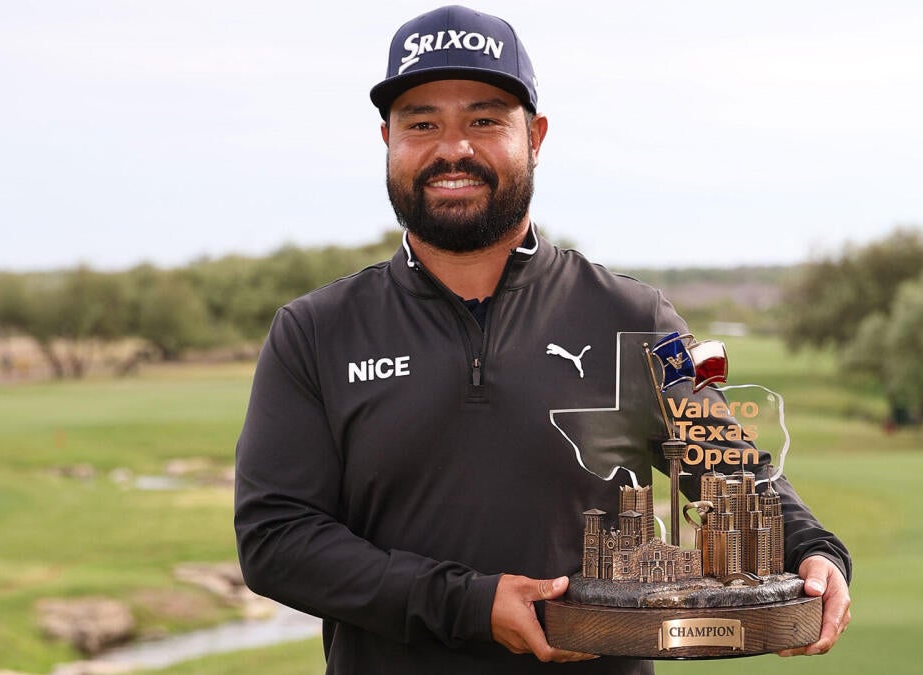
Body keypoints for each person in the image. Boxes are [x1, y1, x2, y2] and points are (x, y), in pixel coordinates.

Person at [235, 6, 851, 673]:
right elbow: (277, 540)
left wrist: (814, 548)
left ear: (536, 136)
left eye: (484, 119)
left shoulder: (637, 316)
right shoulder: (316, 330)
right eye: (422, 123)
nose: (453, 149)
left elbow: (724, 468)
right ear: (387, 138)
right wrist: (468, 603)